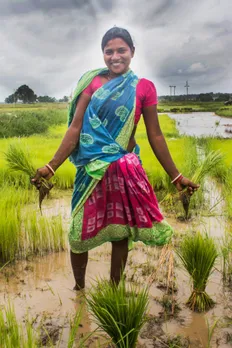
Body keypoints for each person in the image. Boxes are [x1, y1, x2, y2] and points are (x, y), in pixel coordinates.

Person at [32, 27, 199, 290]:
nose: (115, 56)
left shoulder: (143, 88)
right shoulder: (92, 83)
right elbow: (75, 128)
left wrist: (176, 176)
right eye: (108, 51)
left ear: (132, 52)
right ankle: (79, 289)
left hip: (123, 170)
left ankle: (113, 290)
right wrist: (51, 166)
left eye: (121, 50)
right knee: (78, 230)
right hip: (91, 170)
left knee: (120, 233)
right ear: (103, 54)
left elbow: (155, 135)